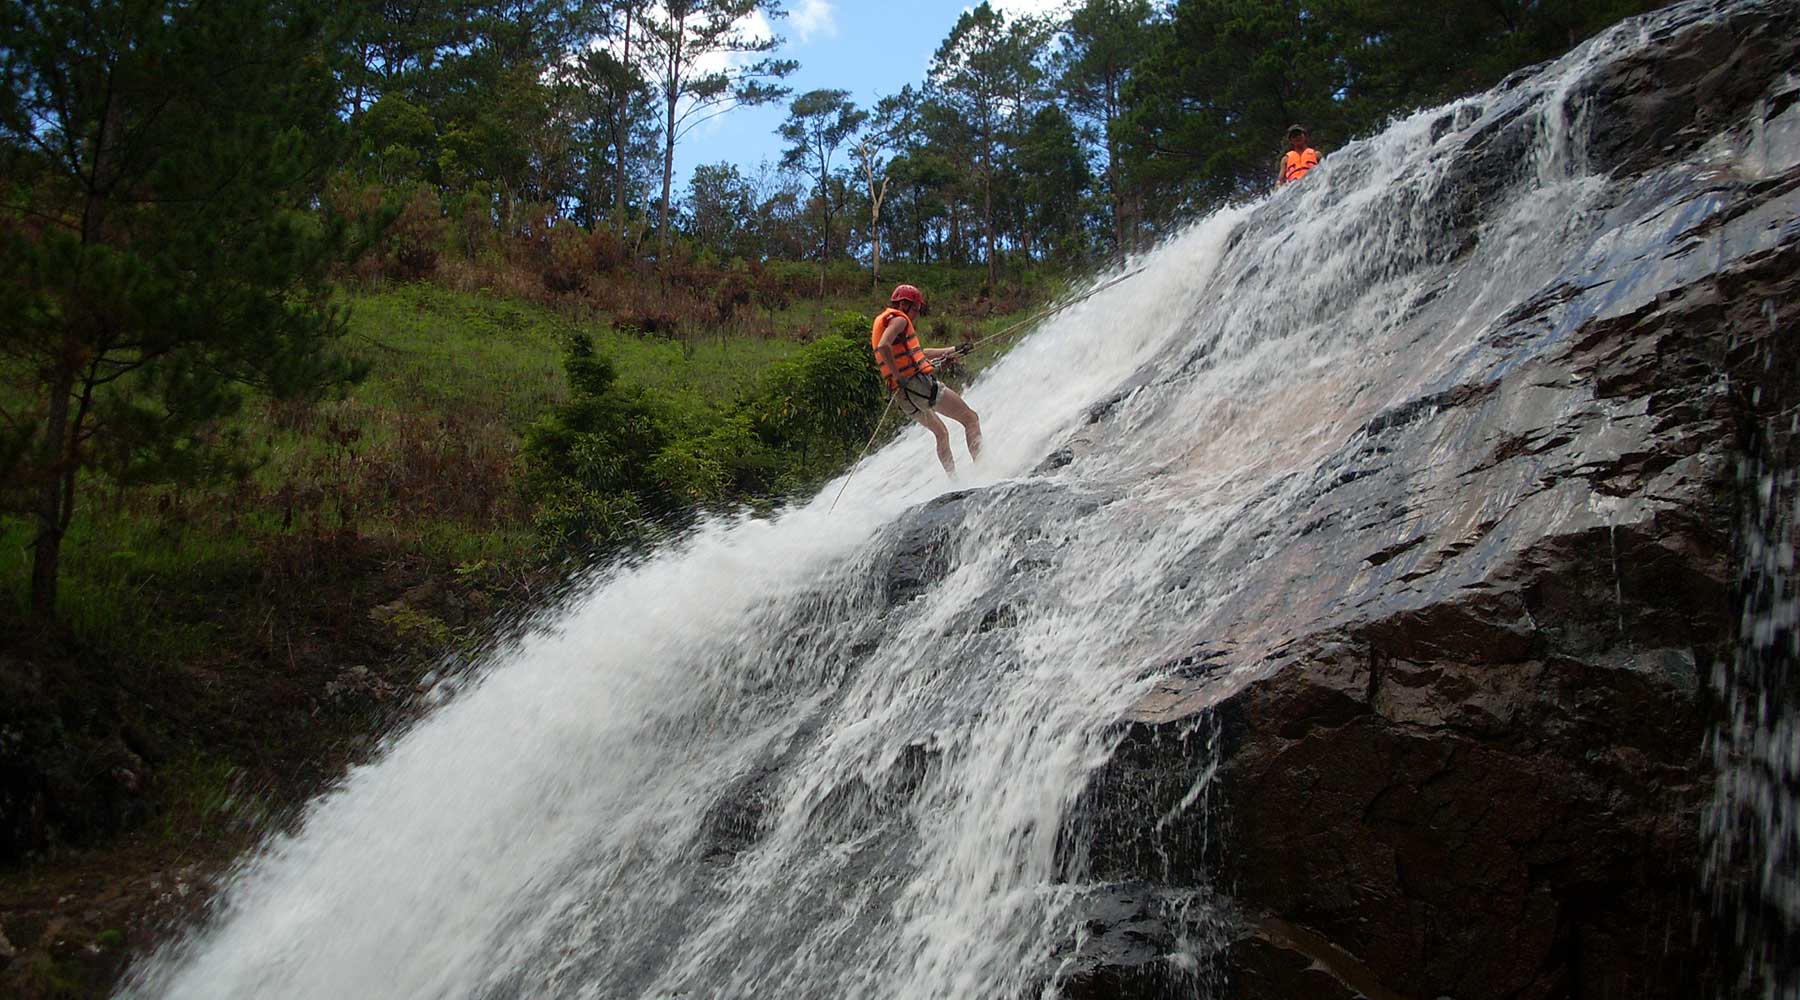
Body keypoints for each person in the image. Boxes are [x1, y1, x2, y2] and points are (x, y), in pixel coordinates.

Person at [871, 284, 981, 477]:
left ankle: (954, 481)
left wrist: (954, 350)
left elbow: (921, 354)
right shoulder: (899, 321)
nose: (917, 314)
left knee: (941, 433)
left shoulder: (886, 321)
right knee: (970, 418)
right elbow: (883, 346)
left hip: (902, 396)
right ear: (904, 304)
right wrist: (900, 376)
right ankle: (984, 470)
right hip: (916, 385)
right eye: (916, 309)